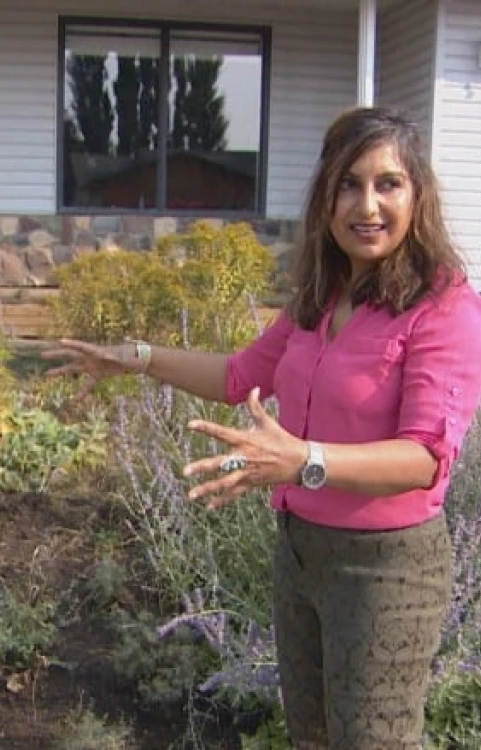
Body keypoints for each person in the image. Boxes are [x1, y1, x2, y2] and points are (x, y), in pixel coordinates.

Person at [41, 106, 481, 749]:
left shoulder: (443, 306)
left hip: (386, 570)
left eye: (388, 184)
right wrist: (136, 358)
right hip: (300, 552)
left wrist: (305, 460)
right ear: (325, 194)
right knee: (312, 737)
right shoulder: (324, 295)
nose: (368, 205)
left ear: (418, 195)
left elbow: (425, 457)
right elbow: (239, 374)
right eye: (349, 183)